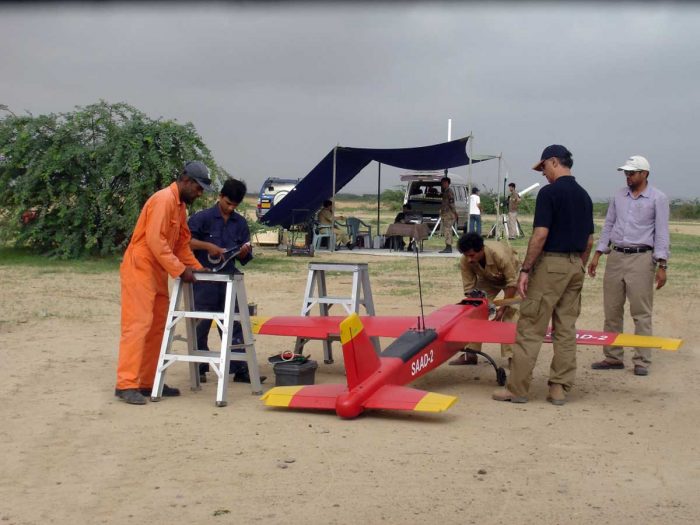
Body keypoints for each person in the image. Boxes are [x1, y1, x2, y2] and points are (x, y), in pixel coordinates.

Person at [492, 145, 594, 406]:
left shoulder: (549, 193)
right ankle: (559, 388)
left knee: (530, 327)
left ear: (554, 162)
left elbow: (540, 234)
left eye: (544, 168)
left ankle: (517, 389)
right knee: (566, 330)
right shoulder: (584, 196)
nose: (543, 174)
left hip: (550, 265)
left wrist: (525, 269)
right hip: (575, 266)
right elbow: (590, 240)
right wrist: (579, 265)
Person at [115, 161, 211, 405]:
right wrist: (181, 271)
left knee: (158, 325)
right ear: (186, 180)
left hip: (158, 270)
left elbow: (180, 245)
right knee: (138, 325)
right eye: (198, 188)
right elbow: (157, 242)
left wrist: (200, 270)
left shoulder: (179, 208)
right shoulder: (163, 200)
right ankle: (126, 384)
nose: (199, 194)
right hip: (141, 266)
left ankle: (147, 382)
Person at [587, 155, 670, 376]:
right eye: (626, 173)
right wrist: (597, 254)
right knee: (612, 309)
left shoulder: (657, 198)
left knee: (641, 312)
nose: (628, 176)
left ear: (645, 174)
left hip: (642, 258)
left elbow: (662, 233)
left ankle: (642, 359)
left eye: (632, 173)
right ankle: (612, 357)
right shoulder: (618, 196)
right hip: (616, 256)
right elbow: (609, 225)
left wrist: (662, 265)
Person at [188, 178, 265, 384]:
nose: (230, 208)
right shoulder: (201, 218)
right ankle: (200, 368)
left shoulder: (240, 223)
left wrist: (243, 252)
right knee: (200, 323)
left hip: (230, 280)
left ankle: (239, 368)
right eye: (227, 203)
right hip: (203, 280)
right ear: (220, 196)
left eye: (235, 206)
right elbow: (186, 242)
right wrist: (208, 246)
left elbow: (245, 258)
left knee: (235, 323)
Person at [449, 233, 520, 366]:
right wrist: (481, 306)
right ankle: (471, 354)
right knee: (474, 310)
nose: (469, 259)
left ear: (481, 249)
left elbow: (512, 283)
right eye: (466, 255)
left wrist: (501, 310)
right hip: (488, 280)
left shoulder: (499, 255)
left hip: (514, 277)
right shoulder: (465, 260)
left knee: (511, 313)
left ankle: (513, 358)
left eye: (472, 255)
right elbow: (470, 291)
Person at [439, 176, 458, 253]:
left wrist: (455, 212)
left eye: (444, 183)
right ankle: (448, 246)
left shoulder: (449, 191)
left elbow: (451, 203)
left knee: (447, 230)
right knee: (447, 230)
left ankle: (448, 247)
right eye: (442, 183)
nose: (442, 184)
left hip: (448, 214)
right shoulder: (446, 191)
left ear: (447, 183)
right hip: (446, 214)